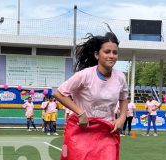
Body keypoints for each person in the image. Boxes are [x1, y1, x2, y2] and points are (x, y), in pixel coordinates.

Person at [53, 31, 128, 160]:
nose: (111, 56)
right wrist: (80, 113)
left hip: (107, 130)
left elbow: (123, 98)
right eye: (107, 52)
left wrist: (122, 118)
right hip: (82, 129)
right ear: (96, 54)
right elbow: (59, 93)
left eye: (114, 52)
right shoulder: (85, 75)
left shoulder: (120, 77)